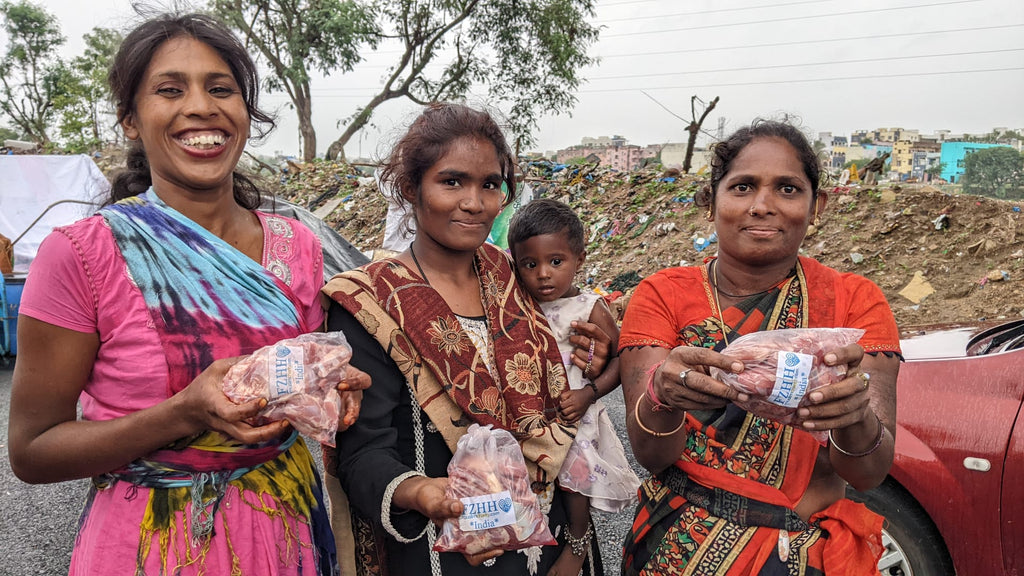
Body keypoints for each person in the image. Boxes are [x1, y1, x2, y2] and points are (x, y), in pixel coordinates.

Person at [7, 14, 368, 575]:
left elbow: (292, 381)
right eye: (170, 90)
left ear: (245, 113)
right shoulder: (81, 253)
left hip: (285, 527)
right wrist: (180, 414)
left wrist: (329, 389)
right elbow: (33, 451)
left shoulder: (297, 246)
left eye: (221, 88)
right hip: (148, 541)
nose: (201, 106)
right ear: (131, 118)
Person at [321, 102, 612, 576]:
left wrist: (596, 347)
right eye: (452, 181)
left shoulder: (513, 275)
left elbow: (571, 342)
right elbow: (363, 452)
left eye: (490, 185)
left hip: (550, 537)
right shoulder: (369, 302)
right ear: (411, 188)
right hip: (444, 542)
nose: (475, 203)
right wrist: (422, 493)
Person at [618, 120, 901, 575]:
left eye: (788, 189)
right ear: (710, 202)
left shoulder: (853, 301)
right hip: (676, 551)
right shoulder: (662, 295)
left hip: (800, 555)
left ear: (817, 206)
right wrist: (661, 396)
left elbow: (869, 473)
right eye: (743, 187)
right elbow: (651, 454)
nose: (763, 206)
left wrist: (855, 416)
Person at [507, 198, 641, 576]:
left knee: (574, 472)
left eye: (556, 262)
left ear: (579, 260)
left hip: (574, 410)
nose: (543, 274)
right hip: (532, 413)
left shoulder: (588, 307)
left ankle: (578, 542)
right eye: (530, 265)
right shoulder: (515, 304)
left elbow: (621, 358)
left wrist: (589, 394)